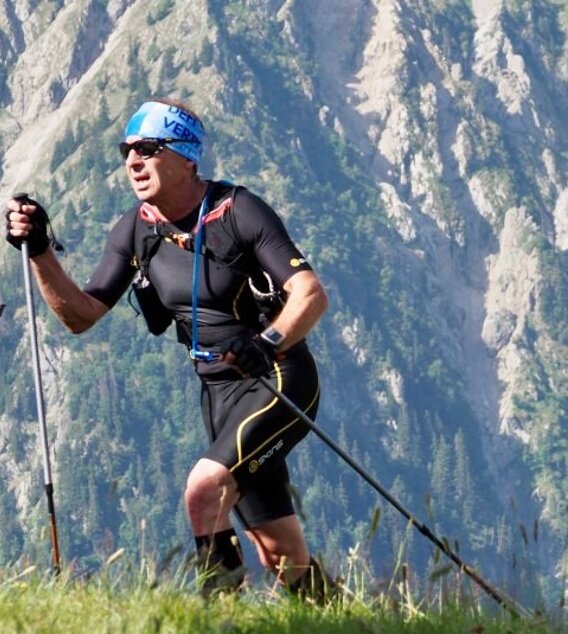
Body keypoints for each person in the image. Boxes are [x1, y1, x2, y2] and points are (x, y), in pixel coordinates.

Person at [5, 99, 331, 600]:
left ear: (186, 157)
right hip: (218, 394)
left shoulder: (238, 210)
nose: (132, 162)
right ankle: (341, 626)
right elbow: (81, 316)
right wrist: (41, 251)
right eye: (126, 151)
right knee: (280, 553)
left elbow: (310, 293)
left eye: (147, 150)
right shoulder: (137, 228)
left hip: (277, 378)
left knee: (204, 491)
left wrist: (267, 341)